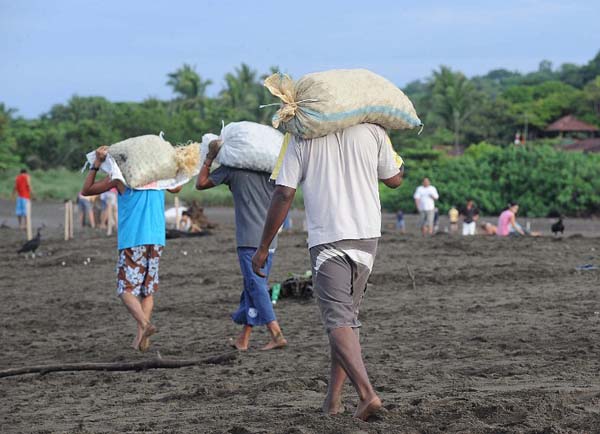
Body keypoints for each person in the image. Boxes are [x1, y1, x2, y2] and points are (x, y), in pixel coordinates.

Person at [251, 123, 404, 421]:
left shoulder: (300, 136)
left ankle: (366, 394)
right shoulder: (374, 131)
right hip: (368, 236)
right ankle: (332, 402)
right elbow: (395, 178)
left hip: (329, 238)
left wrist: (263, 247)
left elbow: (284, 193)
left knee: (338, 321)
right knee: (346, 321)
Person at [81, 146, 182, 352]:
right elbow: (177, 187)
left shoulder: (121, 178)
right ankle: (140, 339)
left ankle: (145, 325)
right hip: (156, 239)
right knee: (147, 290)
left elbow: (87, 190)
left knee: (125, 289)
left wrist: (96, 164)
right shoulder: (159, 177)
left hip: (133, 239)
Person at [196, 139, 287, 351]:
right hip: (270, 239)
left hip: (249, 240)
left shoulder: (232, 170)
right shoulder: (270, 170)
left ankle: (276, 333)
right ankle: (243, 339)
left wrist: (210, 158)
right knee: (252, 288)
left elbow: (200, 183)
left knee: (256, 286)